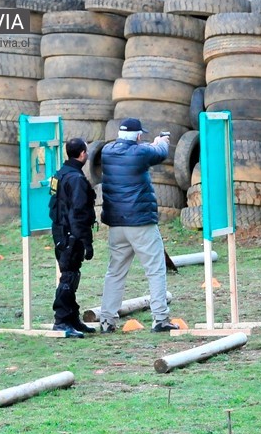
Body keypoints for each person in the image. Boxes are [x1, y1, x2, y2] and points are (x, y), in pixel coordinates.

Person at [99, 118, 178, 333]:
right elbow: (160, 152)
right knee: (155, 270)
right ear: (138, 136)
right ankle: (160, 318)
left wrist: (148, 145)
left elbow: (138, 151)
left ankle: (106, 320)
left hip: (116, 223)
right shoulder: (141, 153)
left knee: (115, 272)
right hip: (140, 222)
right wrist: (161, 141)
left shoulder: (108, 151)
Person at [49, 138, 97, 338]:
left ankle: (71, 317)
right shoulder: (76, 179)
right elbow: (78, 212)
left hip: (61, 231)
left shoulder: (59, 174)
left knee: (72, 274)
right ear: (83, 154)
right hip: (71, 234)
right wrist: (86, 242)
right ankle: (61, 320)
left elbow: (55, 202)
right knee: (68, 276)